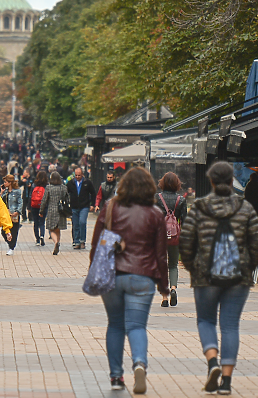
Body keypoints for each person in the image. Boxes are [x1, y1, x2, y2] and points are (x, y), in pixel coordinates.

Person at [179, 161, 258, 395]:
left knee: (206, 321)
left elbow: (186, 242)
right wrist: (247, 268)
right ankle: (226, 382)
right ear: (231, 181)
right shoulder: (245, 208)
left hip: (205, 276)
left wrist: (193, 268)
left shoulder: (198, 207)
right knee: (230, 326)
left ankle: (212, 361)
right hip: (238, 278)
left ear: (212, 181)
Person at [89, 167, 168, 394]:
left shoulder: (110, 207)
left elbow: (97, 244)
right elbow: (161, 254)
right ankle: (140, 363)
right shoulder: (155, 214)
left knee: (115, 325)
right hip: (142, 277)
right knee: (136, 326)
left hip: (112, 275)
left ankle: (115, 376)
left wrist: (95, 270)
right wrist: (164, 285)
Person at [155, 171, 186, 308]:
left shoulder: (157, 198)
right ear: (177, 184)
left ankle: (165, 297)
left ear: (162, 183)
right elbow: (184, 222)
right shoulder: (181, 200)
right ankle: (173, 288)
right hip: (174, 237)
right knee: (173, 264)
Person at [40, 171, 69, 255]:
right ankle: (58, 242)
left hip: (51, 210)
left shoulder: (49, 187)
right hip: (61, 211)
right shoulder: (63, 187)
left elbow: (44, 200)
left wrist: (41, 211)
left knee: (51, 229)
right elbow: (67, 199)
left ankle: (56, 242)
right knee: (58, 229)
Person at [66, 167, 95, 249]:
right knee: (75, 224)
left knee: (82, 222)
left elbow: (93, 193)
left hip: (84, 206)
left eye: (79, 175)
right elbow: (66, 193)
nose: (77, 177)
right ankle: (76, 241)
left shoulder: (87, 183)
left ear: (82, 174)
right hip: (74, 206)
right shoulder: (71, 183)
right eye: (76, 175)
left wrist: (92, 204)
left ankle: (82, 240)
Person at [2, 174, 22, 255]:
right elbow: (0, 201)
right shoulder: (5, 192)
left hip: (14, 214)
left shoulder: (17, 192)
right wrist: (1, 192)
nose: (4, 183)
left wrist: (17, 211)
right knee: (3, 231)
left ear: (10, 183)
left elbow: (20, 202)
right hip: (6, 214)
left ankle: (11, 247)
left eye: (6, 182)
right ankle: (10, 243)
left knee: (14, 231)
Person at [30, 171, 47, 246]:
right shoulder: (46, 186)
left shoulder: (34, 185)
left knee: (36, 222)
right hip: (43, 206)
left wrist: (29, 206)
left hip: (34, 206)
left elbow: (30, 196)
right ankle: (42, 236)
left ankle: (37, 239)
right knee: (42, 222)